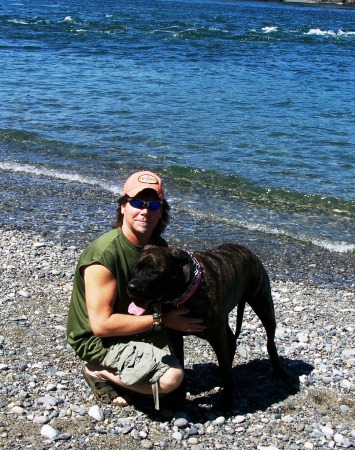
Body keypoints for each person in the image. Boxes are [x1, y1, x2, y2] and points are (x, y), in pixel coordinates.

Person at [67, 170, 206, 409]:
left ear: (162, 211)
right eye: (137, 203)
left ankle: (135, 371)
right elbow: (101, 325)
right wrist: (162, 321)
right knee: (173, 378)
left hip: (133, 329)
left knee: (173, 382)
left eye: (154, 204)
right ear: (123, 207)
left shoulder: (158, 248)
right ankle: (98, 371)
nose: (145, 211)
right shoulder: (104, 254)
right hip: (97, 340)